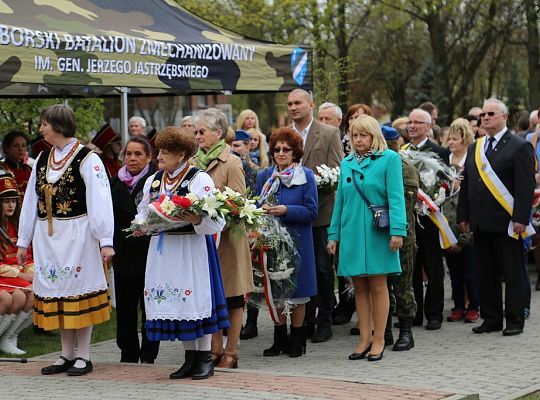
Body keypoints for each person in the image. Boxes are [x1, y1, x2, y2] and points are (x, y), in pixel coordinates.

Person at [17, 104, 114, 376]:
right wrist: (23, 241)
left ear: (58, 125)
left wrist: (105, 239)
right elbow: (30, 202)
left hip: (79, 235)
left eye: (44, 123)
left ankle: (84, 355)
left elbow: (100, 200)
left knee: (79, 293)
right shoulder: (42, 159)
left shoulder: (88, 158)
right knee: (59, 293)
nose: (40, 128)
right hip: (48, 238)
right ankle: (65, 354)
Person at [134, 126, 229, 380]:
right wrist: (141, 226)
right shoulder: (155, 180)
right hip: (164, 251)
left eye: (166, 152)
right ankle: (189, 359)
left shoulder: (199, 179)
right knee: (178, 303)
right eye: (159, 151)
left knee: (196, 300)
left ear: (182, 155)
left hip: (191, 247)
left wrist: (197, 218)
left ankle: (205, 357)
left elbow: (216, 219)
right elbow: (143, 211)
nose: (159, 156)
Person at [327, 115, 406, 362]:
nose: (358, 140)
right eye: (355, 135)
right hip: (351, 232)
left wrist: (398, 231)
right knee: (358, 287)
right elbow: (340, 201)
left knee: (379, 285)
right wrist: (333, 234)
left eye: (364, 135)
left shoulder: (390, 159)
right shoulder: (347, 162)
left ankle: (380, 339)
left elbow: (396, 197)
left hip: (378, 232)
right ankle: (364, 338)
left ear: (374, 136)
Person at [458, 98, 535, 336]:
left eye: (491, 113)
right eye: (483, 114)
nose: (486, 117)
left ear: (504, 117)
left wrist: (521, 217)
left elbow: (525, 187)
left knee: (512, 273)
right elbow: (467, 185)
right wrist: (463, 215)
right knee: (485, 273)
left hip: (508, 222)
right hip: (480, 222)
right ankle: (491, 318)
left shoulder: (519, 146)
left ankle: (514, 320)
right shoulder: (476, 147)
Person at [192, 108, 253, 369]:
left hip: (228, 240)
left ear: (218, 133)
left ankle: (231, 351)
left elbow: (239, 201)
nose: (197, 136)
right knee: (211, 295)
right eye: (195, 132)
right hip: (203, 240)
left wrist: (216, 213)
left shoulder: (232, 161)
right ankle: (214, 349)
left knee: (232, 297)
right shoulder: (194, 162)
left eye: (201, 132)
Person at [256, 127, 318, 358]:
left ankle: (298, 339)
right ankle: (279, 338)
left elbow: (312, 211)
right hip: (272, 242)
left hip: (298, 241)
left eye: (286, 149)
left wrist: (286, 210)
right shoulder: (265, 176)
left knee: (298, 292)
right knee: (277, 291)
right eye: (277, 149)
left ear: (295, 153)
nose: (281, 153)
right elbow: (255, 203)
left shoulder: (306, 176)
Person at [288, 89, 344, 343]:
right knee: (300, 268)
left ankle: (325, 319)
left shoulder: (329, 133)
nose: (293, 107)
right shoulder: (285, 135)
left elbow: (338, 170)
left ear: (311, 105)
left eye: (298, 102)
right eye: (289, 103)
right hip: (293, 214)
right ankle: (304, 319)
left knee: (323, 268)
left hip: (321, 212)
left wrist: (317, 185)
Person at [110, 136, 159, 364]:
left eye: (138, 154)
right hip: (123, 253)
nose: (132, 158)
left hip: (148, 252)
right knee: (126, 310)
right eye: (128, 154)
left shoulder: (155, 182)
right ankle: (128, 353)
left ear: (149, 157)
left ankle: (149, 354)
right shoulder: (114, 183)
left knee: (149, 307)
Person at [403, 108, 450, 330]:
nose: (412, 126)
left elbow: (445, 183)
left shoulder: (439, 151)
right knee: (411, 267)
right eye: (410, 122)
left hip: (430, 217)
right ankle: (415, 312)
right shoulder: (401, 151)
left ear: (428, 127)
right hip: (408, 218)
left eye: (417, 122)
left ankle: (434, 313)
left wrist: (433, 200)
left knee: (433, 268)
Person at [382, 126, 419, 352]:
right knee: (380, 287)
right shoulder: (376, 165)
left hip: (401, 237)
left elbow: (404, 209)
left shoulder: (404, 168)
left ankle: (406, 331)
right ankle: (384, 331)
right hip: (378, 237)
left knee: (402, 285)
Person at [443, 119, 479, 323]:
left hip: (466, 220)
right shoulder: (444, 158)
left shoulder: (472, 158)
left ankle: (474, 306)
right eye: (449, 138)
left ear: (465, 139)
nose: (450, 142)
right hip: (447, 221)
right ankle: (457, 306)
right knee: (454, 271)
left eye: (454, 139)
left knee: (470, 271)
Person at [0, 173, 34, 355]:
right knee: (14, 298)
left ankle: (9, 336)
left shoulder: (18, 225)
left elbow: (27, 257)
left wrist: (32, 271)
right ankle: (4, 337)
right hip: (6, 275)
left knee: (39, 293)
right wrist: (21, 274)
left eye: (13, 200)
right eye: (6, 201)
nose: (11, 204)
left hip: (16, 275)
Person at [1, 131, 32, 195]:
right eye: (16, 146)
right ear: (7, 148)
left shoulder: (29, 170)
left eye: (23, 146)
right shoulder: (2, 169)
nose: (20, 149)